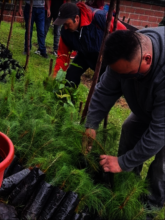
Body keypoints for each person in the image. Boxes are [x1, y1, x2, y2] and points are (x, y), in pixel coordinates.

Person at [85, 27, 165, 215]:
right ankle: (126, 190)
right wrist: (91, 124)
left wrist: (123, 162)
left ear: (147, 59)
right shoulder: (126, 52)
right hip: (149, 106)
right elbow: (104, 91)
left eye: (129, 76)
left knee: (161, 165)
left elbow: (160, 130)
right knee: (130, 128)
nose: (124, 80)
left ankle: (149, 209)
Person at [52, 2, 127, 87]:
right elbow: (62, 55)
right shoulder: (66, 32)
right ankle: (66, 98)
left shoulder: (100, 18)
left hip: (105, 58)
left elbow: (125, 35)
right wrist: (56, 77)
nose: (65, 27)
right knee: (71, 75)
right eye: (63, 24)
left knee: (101, 85)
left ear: (76, 18)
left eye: (67, 24)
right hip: (84, 54)